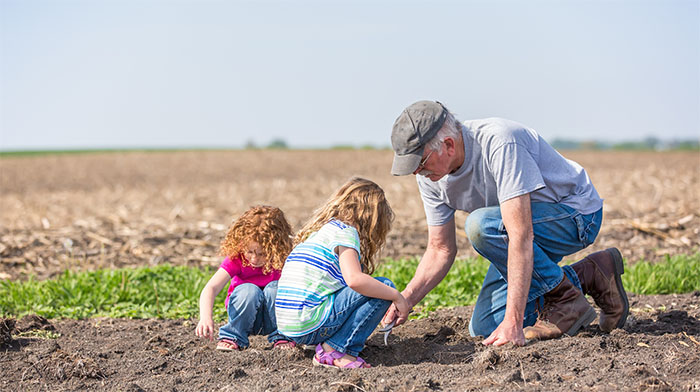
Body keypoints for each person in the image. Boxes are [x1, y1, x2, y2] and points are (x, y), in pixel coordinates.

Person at [383, 100, 629, 346]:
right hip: (511, 230)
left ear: (447, 145)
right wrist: (405, 299)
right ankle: (589, 274)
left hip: (575, 216)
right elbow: (440, 249)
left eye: (420, 162)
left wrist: (513, 322)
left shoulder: (500, 142)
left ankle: (565, 298)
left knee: (480, 226)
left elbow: (520, 235)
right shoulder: (430, 176)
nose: (416, 172)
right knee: (486, 326)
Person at [275, 177, 410, 368]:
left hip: (289, 327)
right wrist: (397, 296)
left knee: (371, 287)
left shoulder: (321, 233)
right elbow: (355, 280)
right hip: (308, 323)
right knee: (384, 287)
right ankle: (336, 350)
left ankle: (322, 343)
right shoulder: (346, 232)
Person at [195, 205, 297, 351]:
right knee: (248, 290)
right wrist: (205, 317)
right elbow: (211, 288)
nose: (254, 259)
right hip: (244, 316)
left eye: (262, 254)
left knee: (275, 289)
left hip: (274, 318)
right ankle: (233, 335)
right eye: (250, 251)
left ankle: (283, 336)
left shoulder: (283, 259)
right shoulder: (238, 258)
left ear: (277, 247)